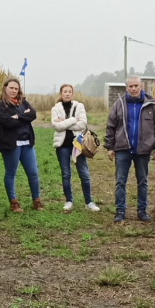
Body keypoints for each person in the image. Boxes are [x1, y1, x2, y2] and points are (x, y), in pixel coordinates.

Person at [105, 75, 155, 223]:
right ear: (126, 88)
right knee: (120, 181)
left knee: (142, 181)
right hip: (123, 149)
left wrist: (153, 144)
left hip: (143, 151)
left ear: (140, 86)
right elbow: (111, 126)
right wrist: (110, 147)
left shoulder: (150, 104)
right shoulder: (119, 104)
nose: (134, 88)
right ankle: (120, 210)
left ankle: (142, 211)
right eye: (131, 86)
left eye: (136, 86)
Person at [0, 77, 41, 213]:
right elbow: (8, 123)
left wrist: (18, 116)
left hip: (27, 142)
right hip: (11, 144)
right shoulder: (0, 106)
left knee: (33, 173)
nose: (14, 91)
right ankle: (13, 202)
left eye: (16, 88)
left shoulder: (23, 102)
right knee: (11, 173)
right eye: (11, 88)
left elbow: (33, 114)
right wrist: (23, 117)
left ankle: (36, 201)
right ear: (5, 88)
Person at [51, 83, 99, 212]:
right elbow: (56, 126)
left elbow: (83, 124)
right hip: (62, 147)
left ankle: (88, 202)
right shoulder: (56, 108)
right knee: (66, 174)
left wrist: (66, 122)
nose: (67, 93)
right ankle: (68, 201)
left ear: (72, 93)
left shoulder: (79, 106)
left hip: (78, 145)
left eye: (69, 91)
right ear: (61, 94)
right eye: (65, 91)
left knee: (84, 174)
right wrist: (74, 120)